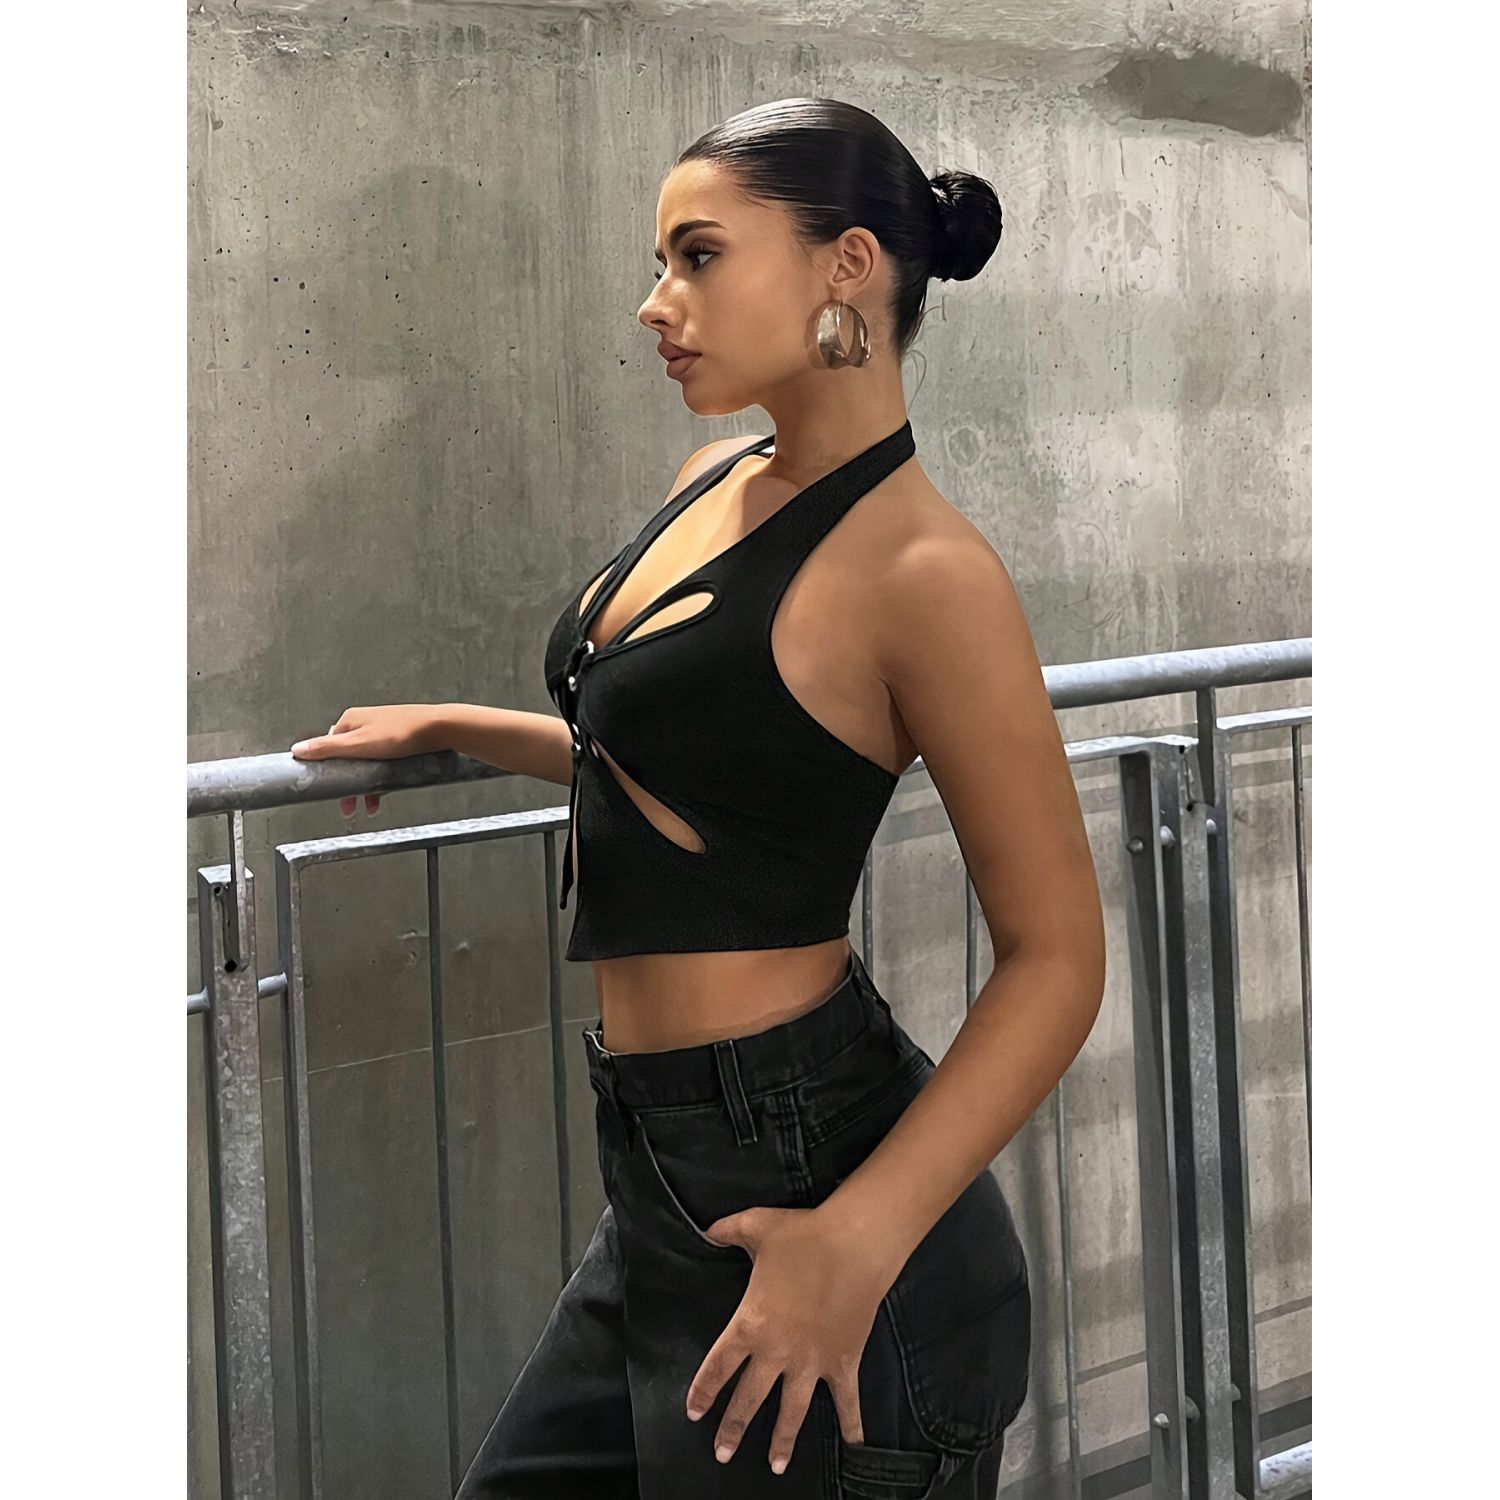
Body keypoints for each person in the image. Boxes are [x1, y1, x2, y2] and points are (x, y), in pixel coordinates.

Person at [292, 97, 1105, 1500]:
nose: (656, 301)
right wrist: (464, 728)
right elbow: (689, 763)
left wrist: (855, 1241)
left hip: (821, 1199)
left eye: (700, 255)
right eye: (662, 260)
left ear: (848, 265)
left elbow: (1058, 959)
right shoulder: (712, 480)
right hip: (662, 1179)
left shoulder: (927, 574)